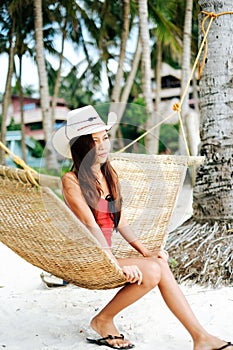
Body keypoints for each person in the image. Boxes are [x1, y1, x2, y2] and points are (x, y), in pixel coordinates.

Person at [52, 105, 232, 350]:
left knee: (158, 263)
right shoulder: (71, 180)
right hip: (84, 256)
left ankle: (200, 337)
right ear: (82, 146)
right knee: (152, 272)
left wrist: (145, 251)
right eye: (95, 141)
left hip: (103, 253)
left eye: (105, 137)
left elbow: (121, 221)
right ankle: (102, 320)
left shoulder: (109, 174)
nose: (103, 145)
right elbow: (90, 224)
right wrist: (112, 262)